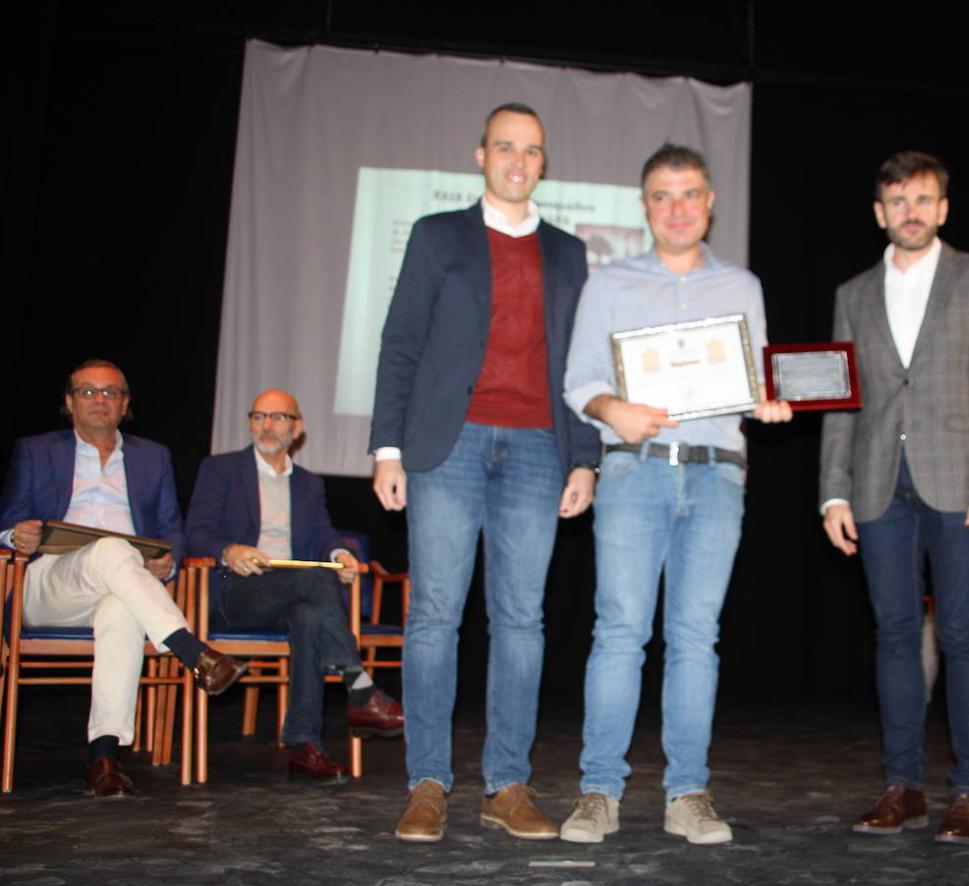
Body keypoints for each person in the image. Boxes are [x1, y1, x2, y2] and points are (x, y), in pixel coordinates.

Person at [369, 103, 598, 842]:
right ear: (481, 155)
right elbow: (401, 341)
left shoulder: (569, 252)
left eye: (532, 150)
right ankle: (428, 782)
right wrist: (387, 449)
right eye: (506, 147)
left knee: (522, 621)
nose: (518, 160)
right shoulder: (438, 237)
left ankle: (506, 784)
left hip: (538, 448)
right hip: (450, 443)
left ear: (542, 162)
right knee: (435, 615)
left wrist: (586, 458)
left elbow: (585, 364)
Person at [557, 143, 793, 846]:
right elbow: (578, 382)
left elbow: (753, 383)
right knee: (620, 633)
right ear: (644, 205)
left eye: (689, 193)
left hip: (718, 472)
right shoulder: (610, 283)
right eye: (663, 195)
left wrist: (770, 403)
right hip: (634, 468)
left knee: (695, 639)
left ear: (710, 200)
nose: (678, 208)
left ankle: (687, 792)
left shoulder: (743, 286)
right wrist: (611, 409)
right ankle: (599, 791)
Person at [819, 151, 969, 844]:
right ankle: (902, 786)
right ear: (880, 213)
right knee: (895, 635)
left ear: (943, 209)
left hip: (962, 482)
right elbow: (842, 404)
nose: (910, 211)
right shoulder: (852, 292)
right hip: (879, 484)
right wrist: (833, 493)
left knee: (964, 632)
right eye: (897, 200)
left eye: (923, 199)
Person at [0, 360, 245, 797]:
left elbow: (171, 529)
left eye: (110, 393)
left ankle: (104, 757)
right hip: (47, 583)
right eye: (88, 392)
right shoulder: (36, 449)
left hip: (121, 585)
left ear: (125, 404)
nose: (100, 400)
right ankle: (193, 652)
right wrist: (15, 533)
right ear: (69, 402)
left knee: (122, 612)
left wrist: (167, 562)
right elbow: (9, 518)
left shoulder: (153, 457)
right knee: (113, 548)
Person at [185, 389, 404, 784]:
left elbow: (323, 533)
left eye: (278, 417)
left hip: (291, 592)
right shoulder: (221, 469)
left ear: (297, 428)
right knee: (317, 582)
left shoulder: (309, 483)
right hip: (234, 590)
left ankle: (305, 747)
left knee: (309, 616)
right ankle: (359, 686)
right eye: (258, 417)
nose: (267, 426)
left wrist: (340, 552)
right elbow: (195, 532)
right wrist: (228, 549)